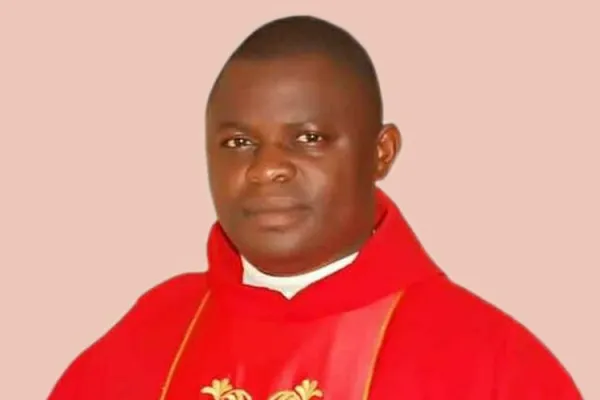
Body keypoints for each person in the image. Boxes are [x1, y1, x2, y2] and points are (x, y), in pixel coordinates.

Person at [48, 15, 582, 400]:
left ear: (381, 153)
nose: (266, 168)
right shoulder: (151, 335)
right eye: (238, 143)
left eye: (308, 138)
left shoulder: (492, 363)